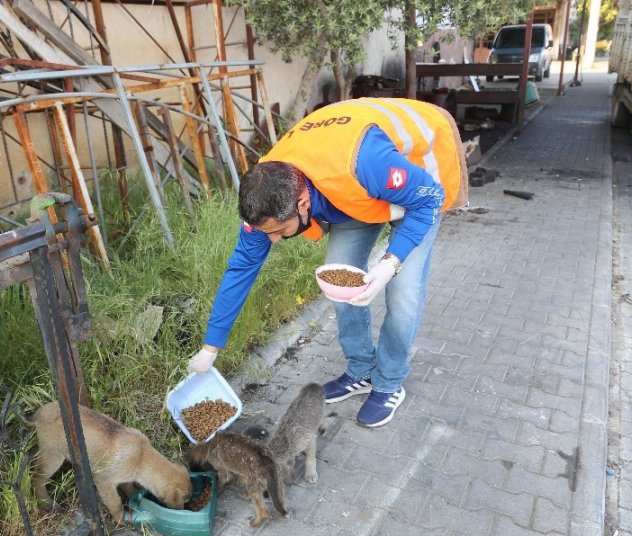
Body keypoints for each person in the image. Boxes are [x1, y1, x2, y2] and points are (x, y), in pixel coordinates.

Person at [188, 97, 468, 427]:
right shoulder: (264, 196)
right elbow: (240, 271)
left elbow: (428, 198)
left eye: (279, 231)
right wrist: (211, 348)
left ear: (303, 202)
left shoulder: (364, 164)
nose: (273, 240)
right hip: (352, 195)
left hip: (415, 189)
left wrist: (390, 263)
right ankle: (362, 369)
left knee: (402, 292)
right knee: (339, 282)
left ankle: (389, 381)